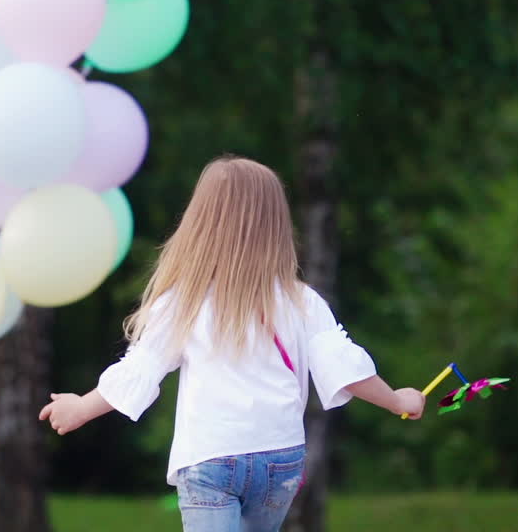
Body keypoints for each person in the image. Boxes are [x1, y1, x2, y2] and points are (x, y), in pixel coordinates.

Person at [38, 156, 426, 532]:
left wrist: (81, 408)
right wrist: (397, 400)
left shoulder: (183, 303)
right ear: (275, 224)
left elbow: (142, 367)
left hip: (210, 459)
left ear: (201, 223)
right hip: (280, 458)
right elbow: (344, 369)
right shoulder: (301, 301)